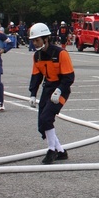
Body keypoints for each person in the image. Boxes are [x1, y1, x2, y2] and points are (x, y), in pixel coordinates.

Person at [28, 22, 75, 165]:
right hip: (48, 88)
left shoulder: (61, 53)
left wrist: (59, 90)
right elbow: (36, 76)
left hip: (61, 88)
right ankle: (60, 151)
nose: (35, 43)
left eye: (37, 40)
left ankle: (51, 150)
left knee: (47, 117)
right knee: (42, 123)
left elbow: (69, 77)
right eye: (33, 41)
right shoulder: (37, 56)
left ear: (45, 38)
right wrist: (32, 94)